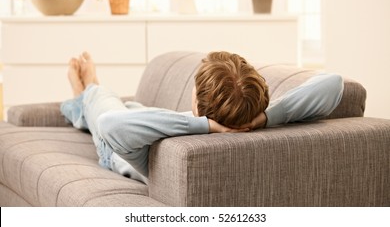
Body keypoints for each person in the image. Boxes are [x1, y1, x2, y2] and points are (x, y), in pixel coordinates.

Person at [61, 52, 343, 183]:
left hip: (115, 149)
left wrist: (204, 125)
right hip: (140, 123)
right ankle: (85, 98)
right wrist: (264, 119)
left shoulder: (190, 137)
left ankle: (85, 92)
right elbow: (333, 83)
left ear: (196, 104)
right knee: (133, 108)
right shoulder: (249, 120)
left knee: (103, 100)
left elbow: (111, 124)